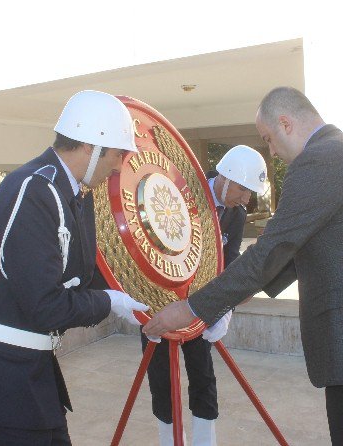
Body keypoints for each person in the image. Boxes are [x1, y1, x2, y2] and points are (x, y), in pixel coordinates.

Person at [144, 87, 343, 446]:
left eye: (269, 139)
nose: (272, 151)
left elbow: (270, 250)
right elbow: (292, 252)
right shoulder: (339, 150)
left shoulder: (319, 161)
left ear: (285, 123)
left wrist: (192, 308)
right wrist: (232, 296)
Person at [0, 90, 151, 445]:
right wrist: (110, 304)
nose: (119, 165)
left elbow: (81, 273)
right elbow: (45, 306)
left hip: (26, 375)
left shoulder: (72, 193)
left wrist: (140, 304)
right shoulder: (34, 191)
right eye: (117, 153)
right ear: (90, 146)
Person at [142, 145, 267, 446]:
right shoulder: (183, 191)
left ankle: (203, 442)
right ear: (225, 177)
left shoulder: (234, 214)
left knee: (203, 378)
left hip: (200, 307)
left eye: (252, 193)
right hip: (160, 301)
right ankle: (170, 441)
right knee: (162, 381)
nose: (246, 199)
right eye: (242, 189)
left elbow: (228, 261)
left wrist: (225, 307)